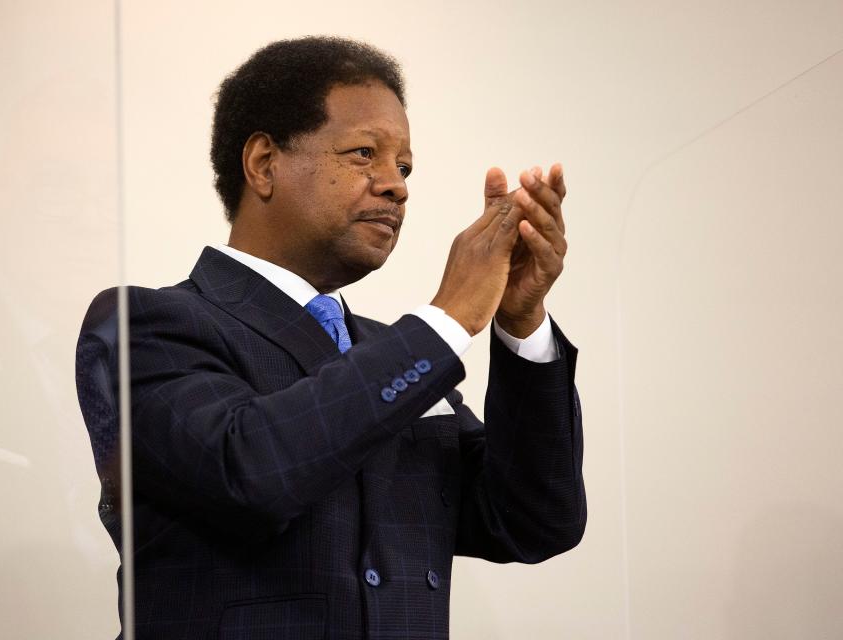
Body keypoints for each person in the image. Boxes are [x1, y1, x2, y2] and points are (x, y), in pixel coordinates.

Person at [76, 35, 586, 640]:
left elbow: (531, 521)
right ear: (264, 163)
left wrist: (520, 324)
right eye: (364, 153)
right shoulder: (145, 325)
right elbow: (250, 472)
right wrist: (449, 319)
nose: (396, 186)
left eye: (404, 167)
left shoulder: (393, 354)